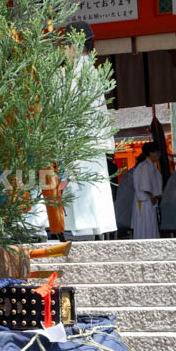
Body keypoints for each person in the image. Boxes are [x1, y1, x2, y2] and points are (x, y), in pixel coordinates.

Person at [61, 22, 117, 239]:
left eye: (65, 45)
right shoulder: (92, 70)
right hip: (91, 144)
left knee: (82, 195)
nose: (63, 50)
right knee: (95, 191)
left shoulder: (73, 74)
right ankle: (94, 232)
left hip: (79, 144)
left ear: (73, 45)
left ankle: (84, 234)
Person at [132, 142, 163, 239]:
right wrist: (151, 195)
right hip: (144, 201)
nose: (159, 155)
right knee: (145, 227)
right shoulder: (145, 166)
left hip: (149, 201)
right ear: (151, 153)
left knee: (150, 227)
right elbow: (145, 186)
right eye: (157, 153)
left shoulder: (151, 165)